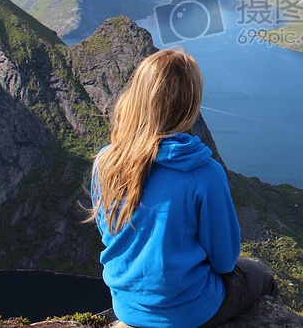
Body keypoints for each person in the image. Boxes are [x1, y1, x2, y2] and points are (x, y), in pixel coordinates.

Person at [88, 48, 279, 328]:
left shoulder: (106, 162)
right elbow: (224, 262)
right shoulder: (203, 173)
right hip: (189, 312)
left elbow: (110, 235)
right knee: (260, 275)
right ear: (190, 105)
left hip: (127, 307)